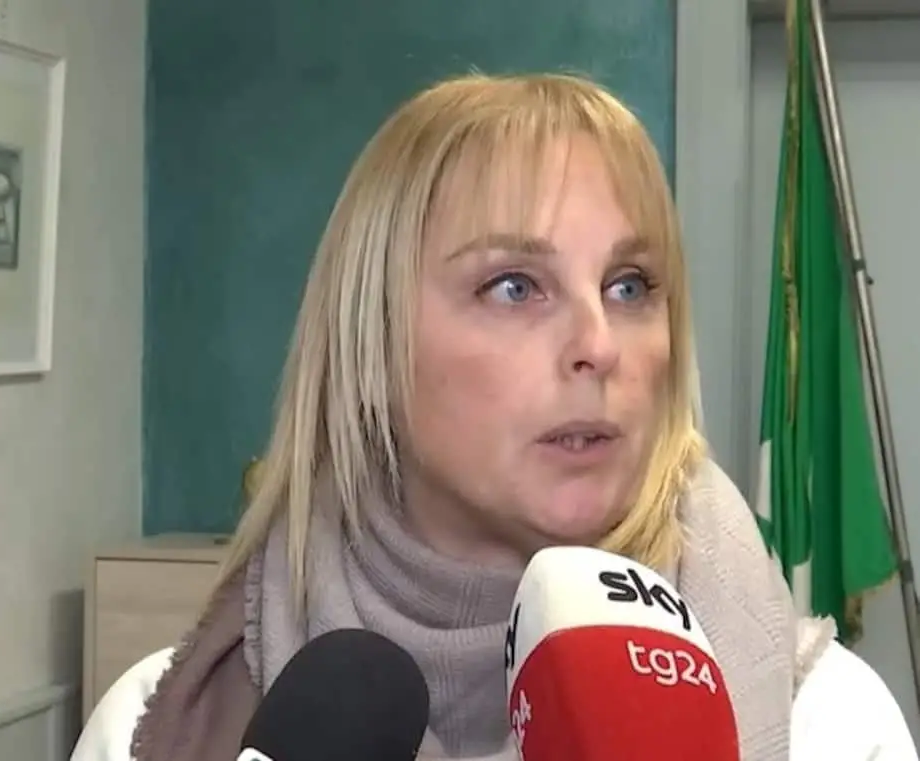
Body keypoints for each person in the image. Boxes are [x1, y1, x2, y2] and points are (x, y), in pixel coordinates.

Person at [72, 73, 917, 761]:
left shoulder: (832, 727)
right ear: (372, 343)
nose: (599, 344)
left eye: (629, 286)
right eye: (514, 286)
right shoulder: (154, 731)